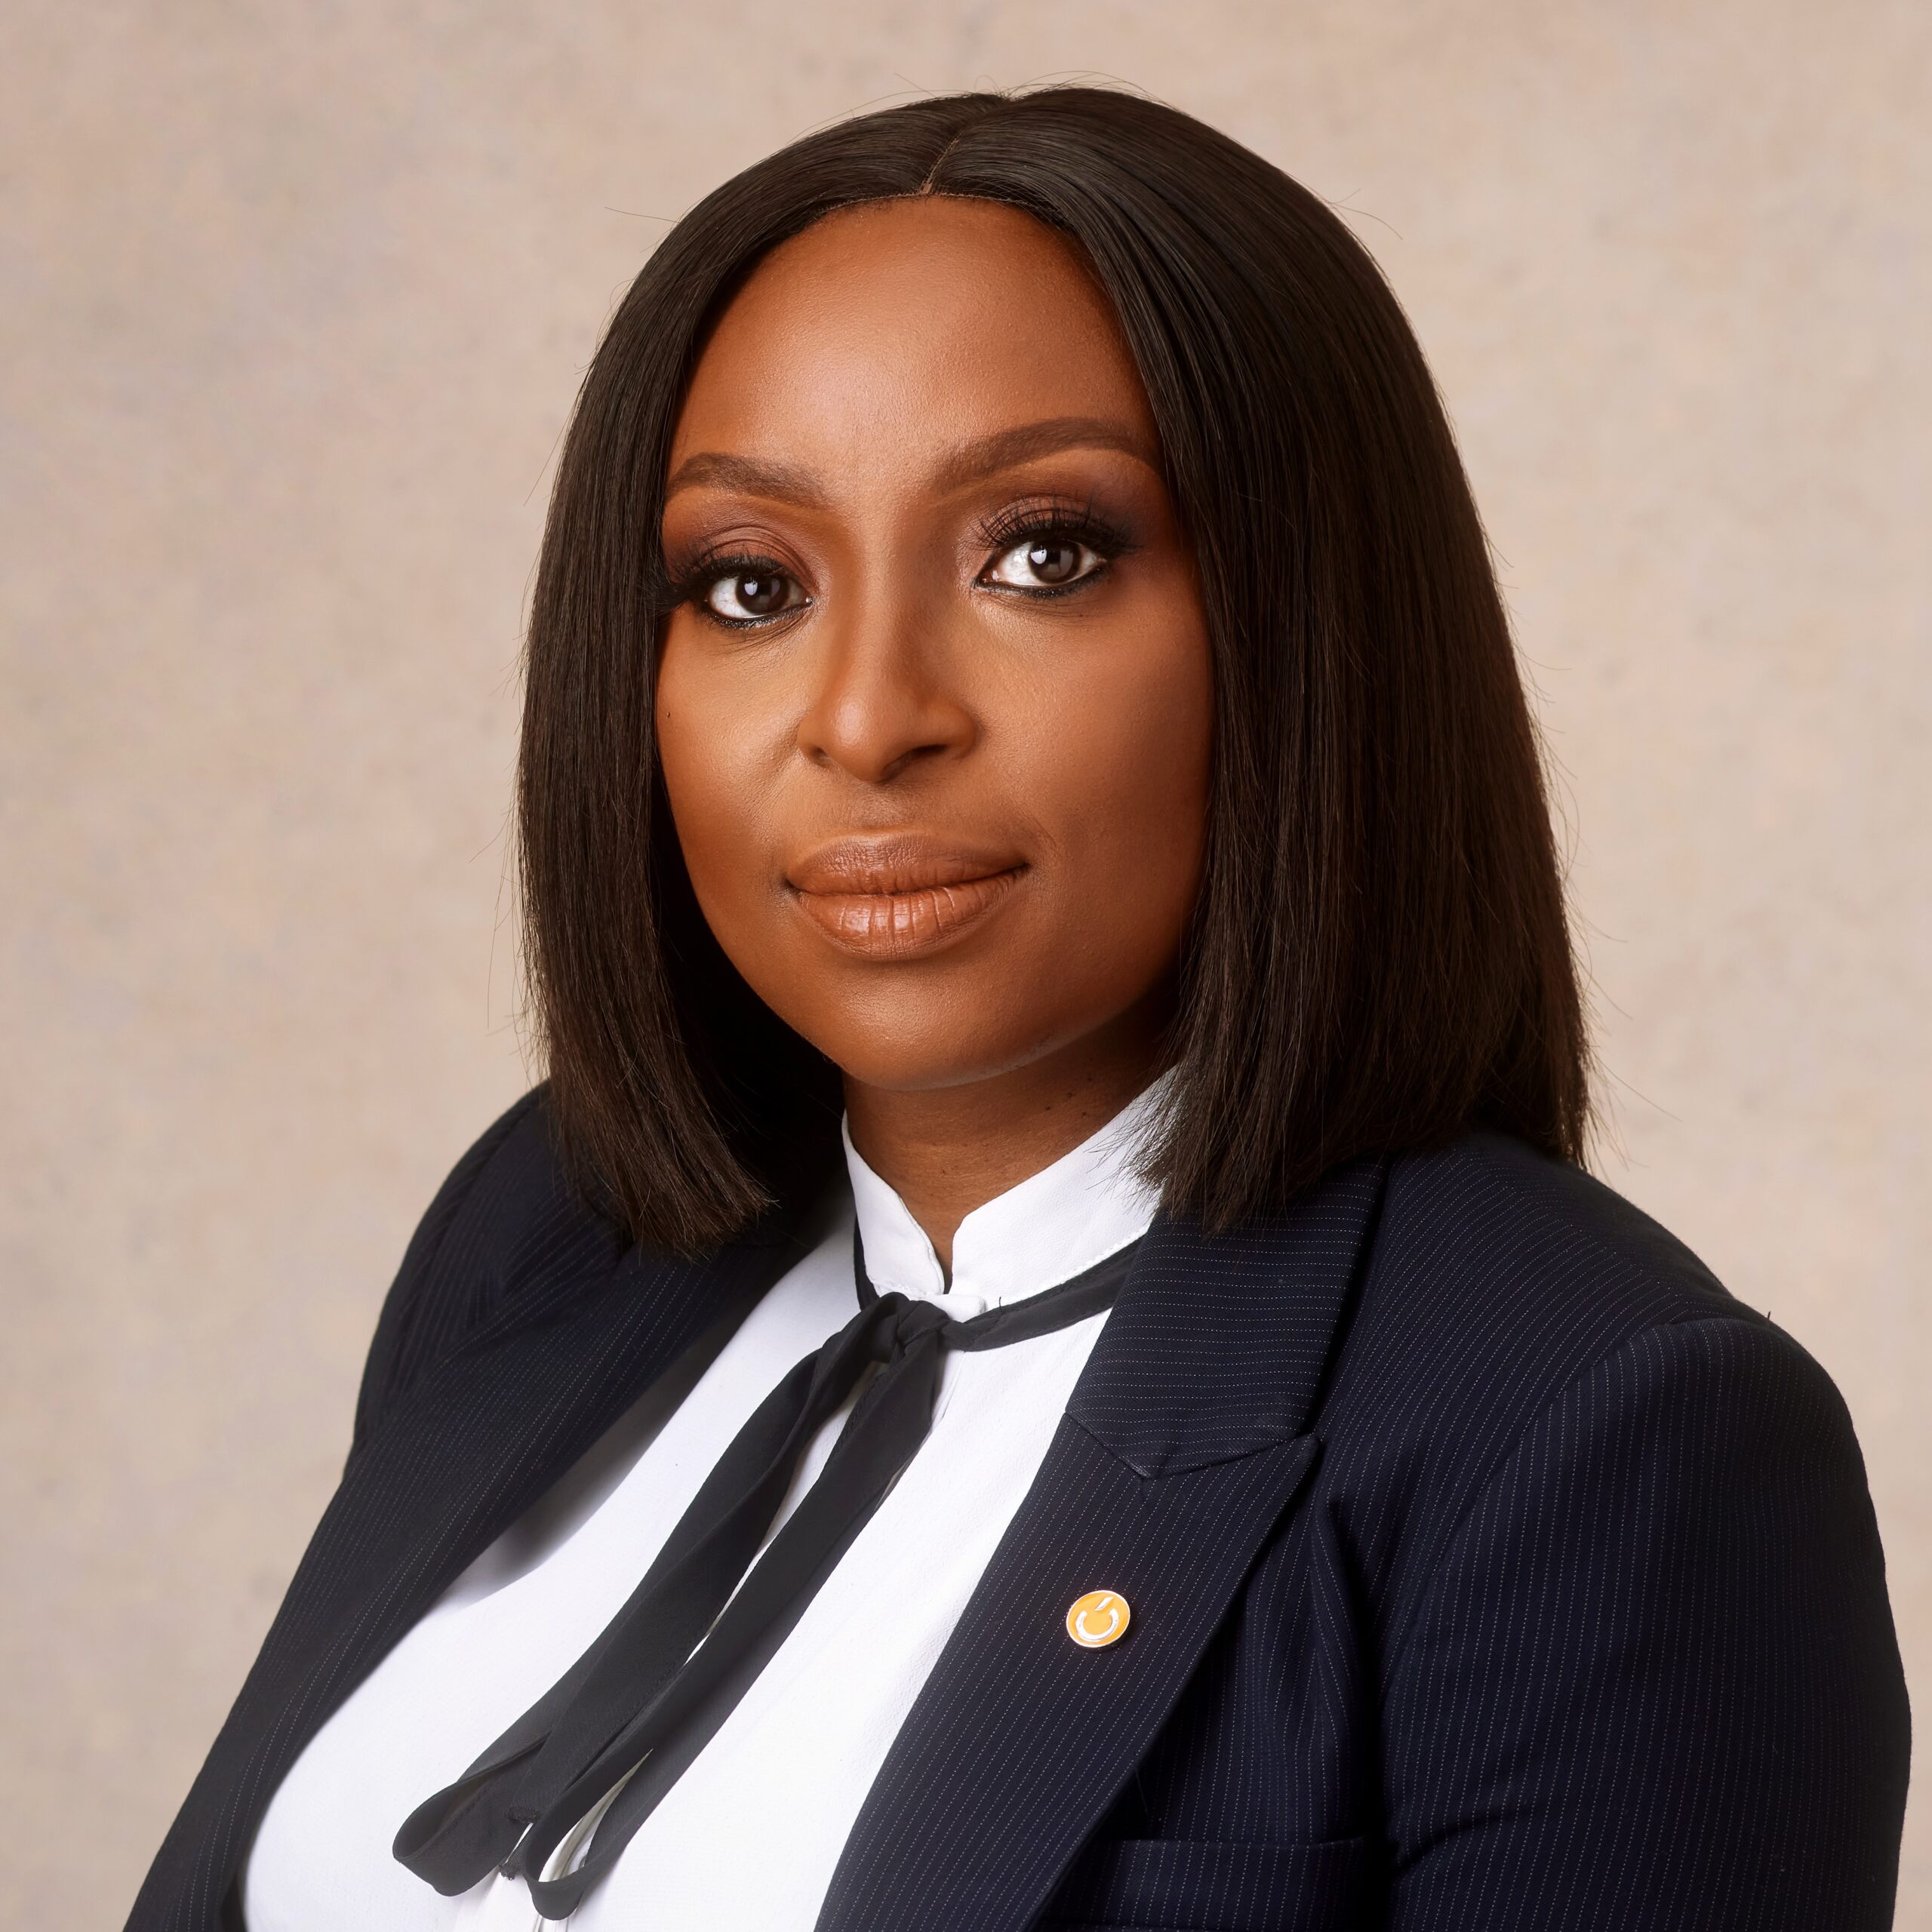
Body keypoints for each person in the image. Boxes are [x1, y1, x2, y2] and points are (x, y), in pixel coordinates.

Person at [128, 85, 1909, 1932]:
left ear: (1305, 628)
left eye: (1042, 552)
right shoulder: (546, 1228)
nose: (865, 715)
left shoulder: (1597, 1435)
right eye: (749, 582)